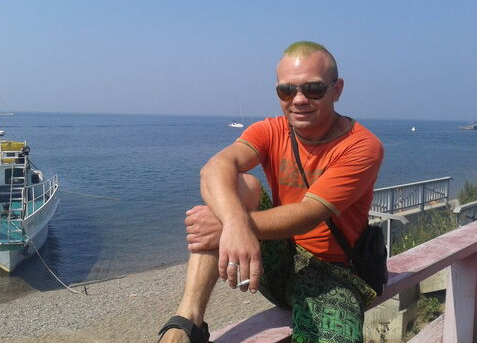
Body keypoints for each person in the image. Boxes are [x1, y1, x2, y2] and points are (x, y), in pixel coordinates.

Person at [157, 41, 384, 343]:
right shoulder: (271, 130)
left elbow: (309, 214)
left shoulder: (361, 146)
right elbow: (214, 168)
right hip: (279, 261)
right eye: (286, 91)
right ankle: (188, 320)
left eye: (313, 89)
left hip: (332, 275)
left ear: (337, 89)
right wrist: (233, 223)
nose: (299, 99)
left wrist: (233, 226)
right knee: (241, 185)